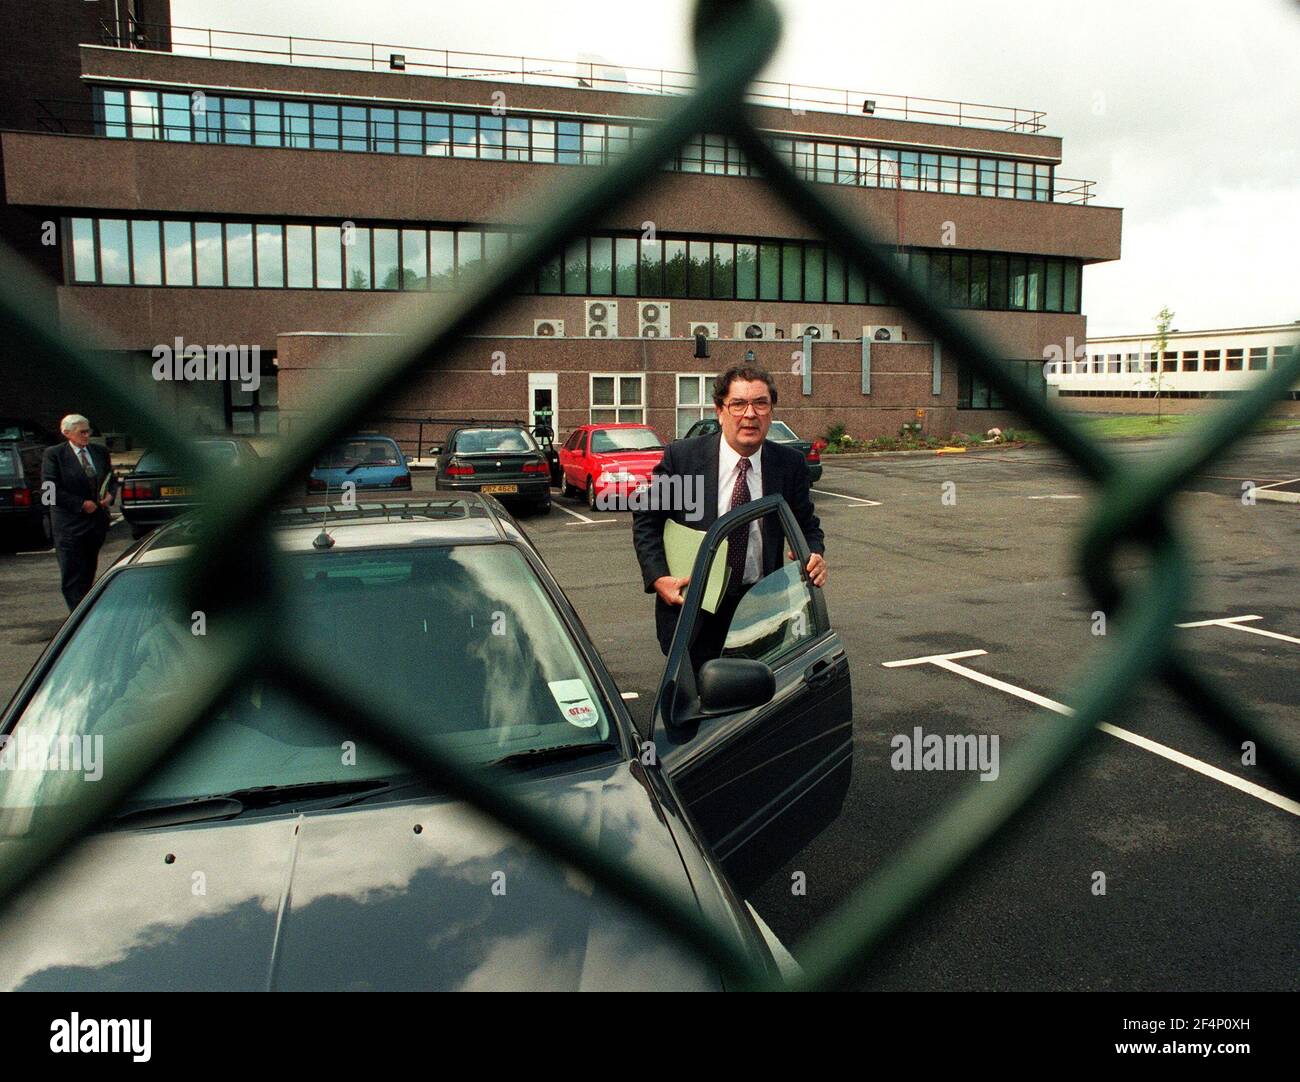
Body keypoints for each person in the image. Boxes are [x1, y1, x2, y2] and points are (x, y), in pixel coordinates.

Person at [632, 362, 826, 664]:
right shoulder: (685, 460)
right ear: (720, 410)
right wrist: (659, 578)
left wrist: (814, 553)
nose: (750, 414)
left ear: (771, 410)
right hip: (696, 605)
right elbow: (647, 521)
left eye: (761, 403)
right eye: (738, 404)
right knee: (695, 699)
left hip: (762, 607)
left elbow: (808, 527)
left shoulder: (788, 465)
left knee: (759, 699)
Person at [42, 414, 117, 611]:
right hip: (69, 526)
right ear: (67, 433)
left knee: (88, 572)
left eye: (88, 431)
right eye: (81, 432)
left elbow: (111, 478)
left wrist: (110, 495)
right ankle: (77, 617)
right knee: (73, 576)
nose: (86, 436)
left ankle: (86, 612)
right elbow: (49, 491)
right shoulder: (54, 454)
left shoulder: (99, 452)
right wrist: (81, 504)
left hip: (95, 525)